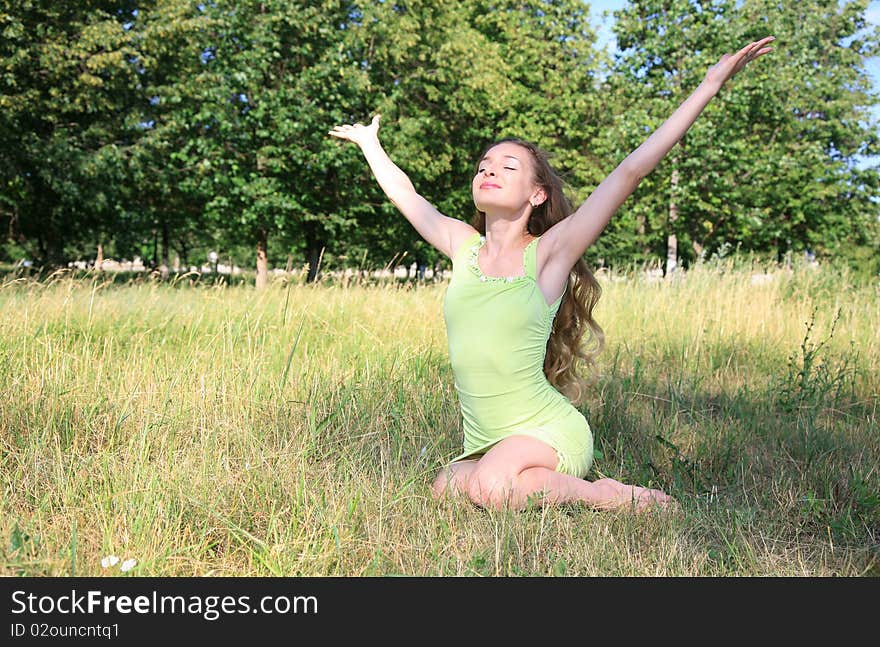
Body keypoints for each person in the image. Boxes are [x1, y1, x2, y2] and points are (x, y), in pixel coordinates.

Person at [330, 36, 775, 512]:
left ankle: (602, 494)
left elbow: (628, 173)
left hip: (546, 431)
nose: (489, 171)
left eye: (507, 166)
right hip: (486, 439)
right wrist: (370, 144)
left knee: (487, 489)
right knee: (446, 487)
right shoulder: (463, 245)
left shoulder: (548, 254)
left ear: (537, 194)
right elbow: (407, 196)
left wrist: (709, 85)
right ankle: (508, 477)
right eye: (483, 166)